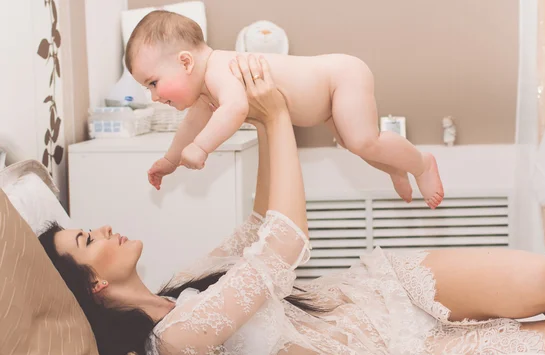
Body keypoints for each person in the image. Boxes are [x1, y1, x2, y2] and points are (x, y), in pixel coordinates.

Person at [39, 55, 545, 355]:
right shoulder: (172, 344)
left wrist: (261, 124)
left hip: (381, 289)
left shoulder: (175, 289)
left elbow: (258, 228)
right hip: (394, 344)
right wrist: (281, 119)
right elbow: (282, 246)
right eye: (88, 239)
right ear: (94, 283)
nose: (104, 228)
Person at [125, 10, 444, 209]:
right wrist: (170, 160)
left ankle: (421, 164)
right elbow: (193, 123)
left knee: (363, 141)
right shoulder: (205, 92)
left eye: (152, 83)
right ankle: (395, 166)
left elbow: (234, 109)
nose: (153, 96)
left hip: (340, 76)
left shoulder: (220, 68)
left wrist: (201, 147)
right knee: (353, 144)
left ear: (185, 61)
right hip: (327, 101)